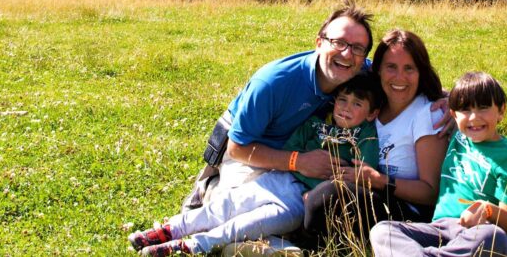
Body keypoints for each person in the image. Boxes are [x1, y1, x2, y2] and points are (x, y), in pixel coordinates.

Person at [129, 73, 386, 255]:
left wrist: (320, 192)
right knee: (229, 205)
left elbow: (360, 175)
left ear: (372, 113)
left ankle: (190, 246)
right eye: (342, 99)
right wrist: (294, 164)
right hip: (281, 179)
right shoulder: (315, 124)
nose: (346, 108)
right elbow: (291, 149)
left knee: (248, 224)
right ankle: (170, 229)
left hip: (301, 201)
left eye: (357, 104)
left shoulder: (365, 136)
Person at [181, 1, 375, 211]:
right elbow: (237, 147)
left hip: (303, 149)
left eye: (357, 48)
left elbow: (397, 78)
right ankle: (211, 188)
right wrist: (298, 161)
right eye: (338, 42)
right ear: (319, 43)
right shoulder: (274, 82)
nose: (347, 54)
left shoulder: (359, 71)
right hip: (252, 152)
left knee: (310, 211)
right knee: (245, 213)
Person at [369, 72, 507, 257]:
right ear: (453, 114)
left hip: (479, 230)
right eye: (466, 110)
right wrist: (445, 97)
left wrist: (487, 209)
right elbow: (431, 90)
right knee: (383, 231)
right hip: (440, 228)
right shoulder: (458, 137)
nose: (473, 118)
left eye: (484, 108)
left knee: (494, 237)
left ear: (501, 111)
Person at [305, 28, 448, 235]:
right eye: (391, 67)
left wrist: (379, 180)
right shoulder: (372, 105)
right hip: (368, 193)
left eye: (409, 68)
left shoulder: (427, 114)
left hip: (407, 210)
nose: (400, 78)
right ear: (378, 69)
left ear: (421, 72)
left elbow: (431, 192)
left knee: (329, 195)